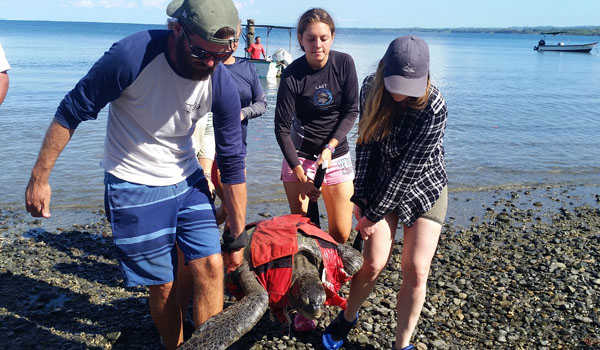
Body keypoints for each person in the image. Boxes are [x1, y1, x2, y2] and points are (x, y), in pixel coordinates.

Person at [24, 0, 248, 348]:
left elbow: (233, 161)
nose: (211, 64)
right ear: (177, 30)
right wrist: (40, 178)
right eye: (203, 53)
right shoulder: (131, 56)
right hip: (132, 180)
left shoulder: (219, 80)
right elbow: (72, 110)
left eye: (221, 56)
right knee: (164, 286)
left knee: (212, 267)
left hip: (188, 178)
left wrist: (236, 236)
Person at [322, 36, 448, 350]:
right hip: (379, 180)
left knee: (417, 269)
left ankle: (401, 344)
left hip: (423, 183)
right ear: (383, 71)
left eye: (410, 86)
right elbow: (365, 146)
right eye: (396, 84)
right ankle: (347, 317)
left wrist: (372, 216)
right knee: (374, 263)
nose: (402, 94)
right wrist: (361, 199)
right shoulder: (370, 89)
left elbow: (407, 173)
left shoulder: (435, 106)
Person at [176, 22, 267, 327]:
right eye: (223, 41)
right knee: (206, 204)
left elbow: (262, 103)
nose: (229, 47)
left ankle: (228, 254)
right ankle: (197, 251)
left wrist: (240, 113)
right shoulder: (202, 68)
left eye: (234, 41)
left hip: (232, 148)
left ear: (239, 43)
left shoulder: (246, 69)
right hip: (203, 147)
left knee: (230, 207)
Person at [274, 8, 358, 245]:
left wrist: (330, 147)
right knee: (304, 230)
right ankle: (312, 275)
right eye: (310, 38)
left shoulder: (344, 63)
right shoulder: (292, 75)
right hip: (299, 158)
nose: (317, 45)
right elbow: (281, 128)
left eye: (323, 38)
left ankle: (330, 271)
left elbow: (351, 111)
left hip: (335, 154)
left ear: (332, 37)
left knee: (341, 233)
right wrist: (300, 174)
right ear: (300, 39)